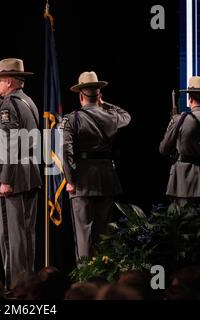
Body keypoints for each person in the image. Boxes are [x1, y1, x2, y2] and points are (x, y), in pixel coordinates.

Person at [62, 71, 131, 264]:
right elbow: (126, 116)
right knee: (103, 234)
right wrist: (103, 103)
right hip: (107, 178)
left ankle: (85, 277)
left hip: (83, 179)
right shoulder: (111, 117)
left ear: (80, 96)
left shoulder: (72, 119)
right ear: (99, 95)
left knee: (84, 233)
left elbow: (65, 152)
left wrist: (70, 179)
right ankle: (102, 275)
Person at [0, 58, 42, 290]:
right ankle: (27, 286)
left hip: (11, 177)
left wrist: (5, 179)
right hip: (29, 174)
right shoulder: (29, 102)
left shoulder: (9, 105)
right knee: (26, 237)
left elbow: (9, 142)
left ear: (9, 81)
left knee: (11, 239)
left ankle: (14, 290)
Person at [159, 76, 200, 207]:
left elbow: (164, 149)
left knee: (183, 224)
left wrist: (171, 126)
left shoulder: (180, 120)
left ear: (190, 98)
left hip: (182, 182)